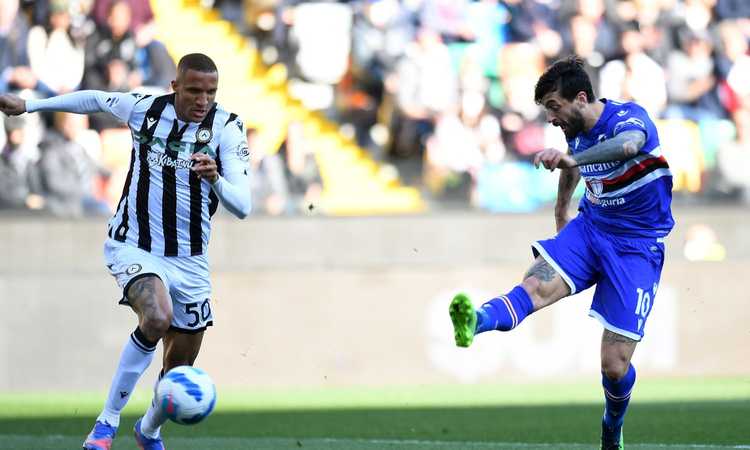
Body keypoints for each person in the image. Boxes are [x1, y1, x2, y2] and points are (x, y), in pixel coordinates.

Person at [0, 52, 252, 450]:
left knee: (178, 367)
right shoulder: (146, 110)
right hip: (134, 244)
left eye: (210, 91)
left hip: (190, 260)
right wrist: (31, 105)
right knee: (156, 316)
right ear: (175, 87)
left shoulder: (228, 128)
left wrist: (216, 179)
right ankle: (106, 423)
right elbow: (97, 99)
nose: (203, 99)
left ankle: (148, 430)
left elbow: (243, 205)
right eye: (194, 90)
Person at [448, 56, 673, 450]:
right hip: (591, 229)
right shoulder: (575, 131)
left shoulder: (628, 119)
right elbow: (573, 164)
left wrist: (574, 159)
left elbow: (627, 147)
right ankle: (475, 321)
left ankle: (611, 427)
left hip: (637, 246)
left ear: (581, 98)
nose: (551, 118)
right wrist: (560, 210)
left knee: (614, 366)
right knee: (534, 285)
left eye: (554, 107)